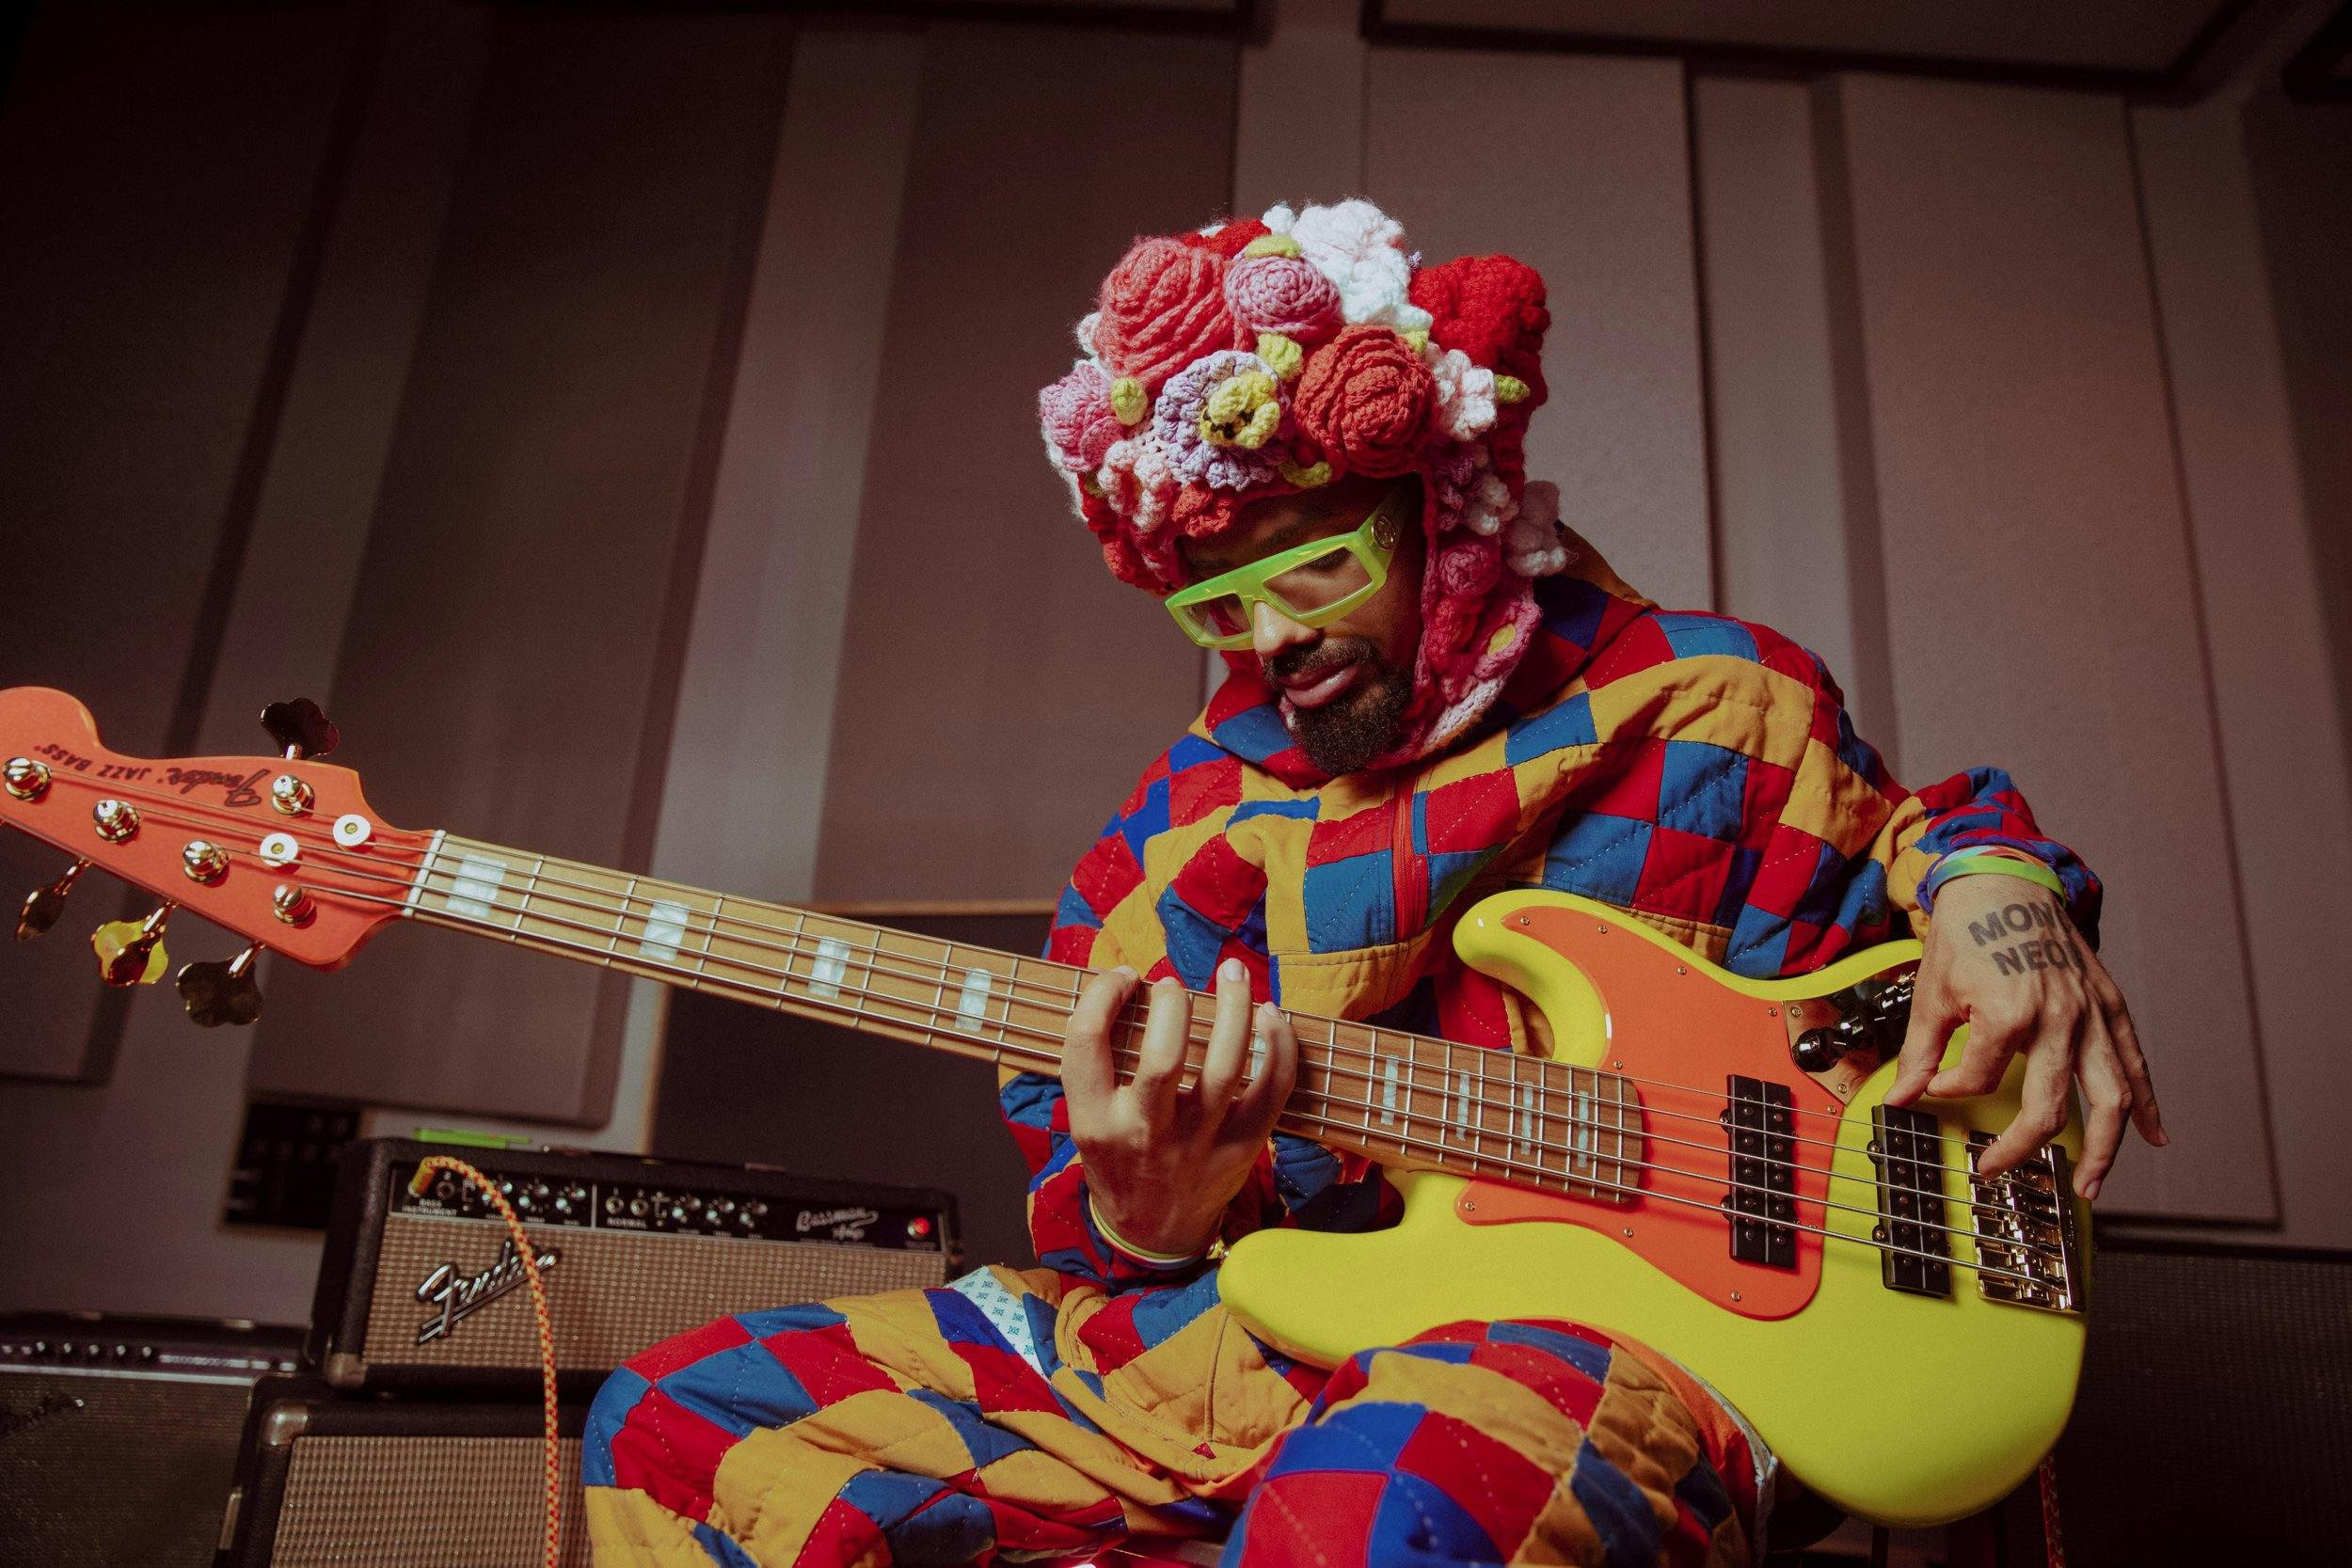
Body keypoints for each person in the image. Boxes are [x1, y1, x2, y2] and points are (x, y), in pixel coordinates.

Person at [583, 199, 2165, 1567]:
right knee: (681, 1424)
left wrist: (1997, 889)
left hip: (1635, 1352)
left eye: (1316, 568)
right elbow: (1104, 1237)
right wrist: (1145, 1220)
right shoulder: (1167, 847)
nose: (1268, 639)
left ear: (1449, 517)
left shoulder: (1715, 703)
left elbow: (1920, 843)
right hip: (1240, 1347)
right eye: (1217, 602)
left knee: (1383, 1500)